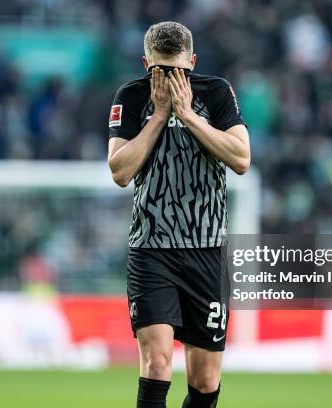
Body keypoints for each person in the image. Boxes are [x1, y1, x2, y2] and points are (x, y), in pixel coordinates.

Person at [107, 21, 250, 408]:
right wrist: (158, 116)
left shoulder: (216, 93)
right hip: (152, 249)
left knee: (204, 380)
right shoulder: (132, 97)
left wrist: (188, 116)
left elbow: (241, 159)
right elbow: (120, 171)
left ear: (193, 62)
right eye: (160, 71)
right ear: (145, 64)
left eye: (179, 71)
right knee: (157, 362)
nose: (170, 79)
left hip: (206, 250)